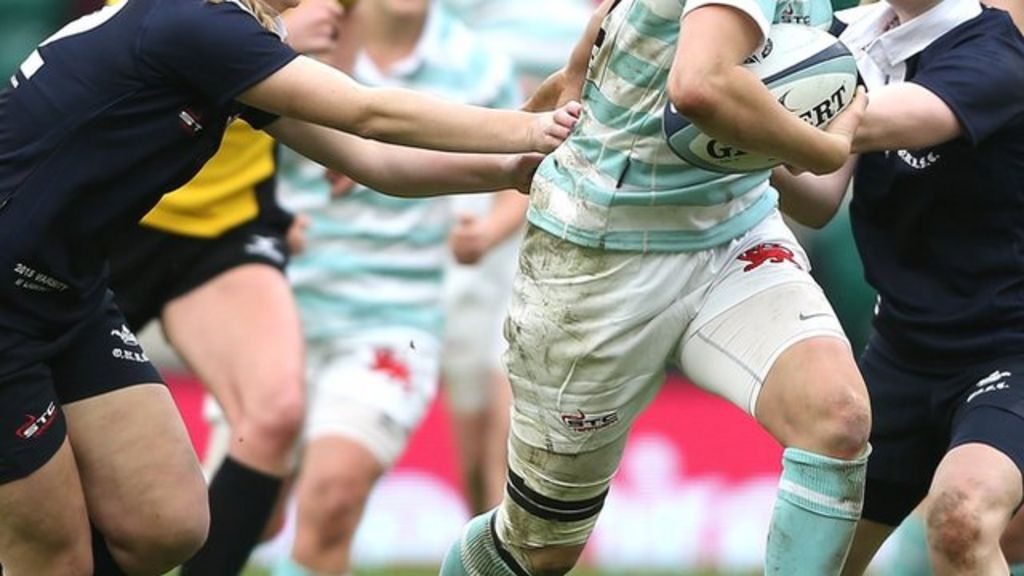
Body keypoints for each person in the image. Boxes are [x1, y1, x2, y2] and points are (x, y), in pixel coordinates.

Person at [0, 0, 579, 573]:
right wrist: (526, 125)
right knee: (54, 557)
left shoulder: (226, 37)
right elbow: (368, 113)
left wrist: (510, 168)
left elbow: (372, 160)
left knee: (168, 523)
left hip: (66, 291)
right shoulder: (200, 22)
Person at [439, 0, 873, 574]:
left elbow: (811, 202)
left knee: (837, 419)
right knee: (537, 549)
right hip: (600, 259)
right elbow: (699, 86)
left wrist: (813, 142)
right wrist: (825, 147)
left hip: (734, 235)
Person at [266, 1, 525, 574]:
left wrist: (487, 230)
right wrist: (266, 220)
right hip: (271, 313)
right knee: (243, 513)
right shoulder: (295, 38)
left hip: (393, 317)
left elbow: (522, 161)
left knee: (332, 499)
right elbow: (228, 149)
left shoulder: (475, 65)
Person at [771, 0, 1024, 572]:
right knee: (813, 560)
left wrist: (736, 103)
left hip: (1011, 349)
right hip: (902, 351)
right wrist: (734, 149)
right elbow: (817, 199)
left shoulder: (994, 51)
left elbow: (876, 123)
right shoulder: (846, 41)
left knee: (962, 517)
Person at [101, 0, 346, 573]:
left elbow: (350, 66)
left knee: (275, 413)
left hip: (227, 228)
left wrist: (330, 129)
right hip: (113, 221)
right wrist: (274, 38)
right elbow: (145, 37)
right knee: (78, 490)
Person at [438, 0, 592, 516]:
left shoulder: (587, 22)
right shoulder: (456, 21)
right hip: (463, 235)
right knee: (473, 445)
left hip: (550, 236)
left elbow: (563, 144)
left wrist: (494, 227)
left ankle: (524, 548)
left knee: (514, 424)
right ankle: (488, 554)